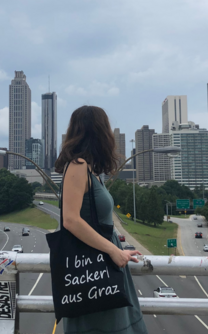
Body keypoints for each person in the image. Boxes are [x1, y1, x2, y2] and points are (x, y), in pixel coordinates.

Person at [55, 105, 148, 334]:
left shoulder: (92, 171)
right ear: (99, 132)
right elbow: (71, 220)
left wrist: (118, 249)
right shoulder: (78, 166)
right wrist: (114, 251)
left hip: (104, 266)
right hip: (93, 268)